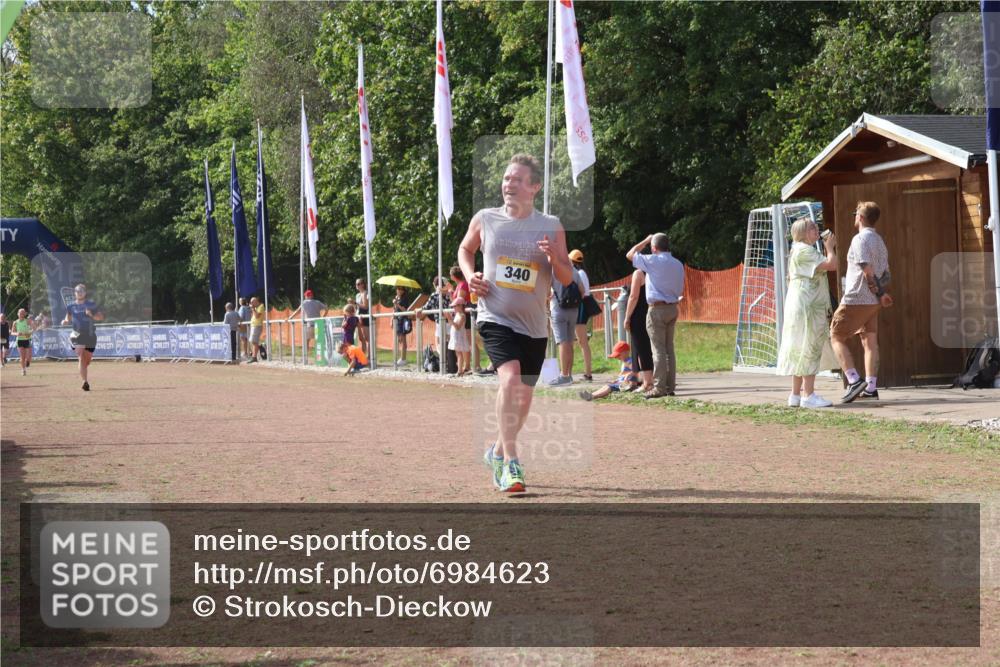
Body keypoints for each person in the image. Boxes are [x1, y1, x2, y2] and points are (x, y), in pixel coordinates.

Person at [458, 153, 574, 493]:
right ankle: (510, 463)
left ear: (534, 187)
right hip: (494, 316)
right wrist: (470, 275)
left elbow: (565, 277)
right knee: (508, 380)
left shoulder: (551, 225)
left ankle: (495, 450)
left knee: (523, 399)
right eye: (507, 178)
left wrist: (554, 257)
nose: (509, 184)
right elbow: (466, 250)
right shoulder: (486, 218)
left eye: (517, 179)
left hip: (535, 325)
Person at [830, 201, 892, 403]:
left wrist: (879, 292)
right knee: (870, 341)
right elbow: (887, 274)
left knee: (836, 336)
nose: (854, 216)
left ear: (861, 218)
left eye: (855, 213)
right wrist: (881, 294)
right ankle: (871, 388)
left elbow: (867, 271)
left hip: (857, 298)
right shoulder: (880, 241)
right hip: (873, 302)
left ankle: (854, 380)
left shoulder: (859, 240)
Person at [776, 220, 839, 408]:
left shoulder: (799, 249)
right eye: (812, 228)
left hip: (800, 304)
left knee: (799, 346)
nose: (816, 230)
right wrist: (830, 248)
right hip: (808, 307)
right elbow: (832, 265)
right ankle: (808, 395)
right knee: (809, 346)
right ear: (802, 232)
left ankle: (795, 394)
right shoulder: (806, 250)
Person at [625, 233, 684, 399]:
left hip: (656, 309)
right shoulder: (678, 264)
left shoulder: (653, 260)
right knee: (669, 350)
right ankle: (669, 386)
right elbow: (680, 289)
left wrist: (644, 240)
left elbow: (630, 255)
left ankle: (658, 387)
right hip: (673, 307)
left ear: (653, 247)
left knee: (657, 350)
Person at [549, 257, 585, 386]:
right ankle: (569, 374)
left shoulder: (552, 268)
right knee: (569, 342)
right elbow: (582, 290)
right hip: (573, 310)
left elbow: (546, 289)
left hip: (558, 309)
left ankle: (563, 376)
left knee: (562, 342)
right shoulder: (573, 269)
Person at [62, 284, 103, 390]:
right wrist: (65, 321)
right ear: (74, 293)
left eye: (82, 291)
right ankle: (85, 382)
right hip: (77, 334)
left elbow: (100, 317)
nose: (79, 292)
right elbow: (68, 317)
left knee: (87, 361)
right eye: (77, 291)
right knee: (80, 356)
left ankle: (83, 370)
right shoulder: (71, 306)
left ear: (85, 293)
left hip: (90, 334)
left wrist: (91, 315)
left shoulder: (91, 304)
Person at [623, 270, 654, 393]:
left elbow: (633, 296)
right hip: (650, 311)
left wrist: (627, 316)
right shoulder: (653, 271)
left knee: (641, 348)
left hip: (638, 314)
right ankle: (641, 379)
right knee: (646, 348)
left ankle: (647, 382)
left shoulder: (638, 273)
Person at [569, 249, 595, 381]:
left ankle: (587, 373)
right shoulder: (582, 272)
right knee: (581, 342)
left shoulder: (578, 273)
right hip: (582, 307)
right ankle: (586, 372)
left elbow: (582, 293)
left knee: (582, 342)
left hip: (580, 307)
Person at [289, 289, 329, 363]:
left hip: (308, 325)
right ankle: (320, 359)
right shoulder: (317, 302)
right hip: (318, 324)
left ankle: (305, 358)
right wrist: (322, 317)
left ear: (306, 296)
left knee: (306, 342)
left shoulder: (304, 303)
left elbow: (298, 311)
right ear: (312, 295)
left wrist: (290, 317)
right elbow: (326, 309)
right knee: (319, 342)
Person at [448, 296, 471, 375]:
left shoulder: (462, 316)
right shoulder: (457, 315)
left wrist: (450, 319)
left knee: (459, 354)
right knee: (458, 353)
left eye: (455, 306)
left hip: (459, 337)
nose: (453, 308)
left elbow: (457, 327)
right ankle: (460, 369)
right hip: (456, 337)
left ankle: (459, 370)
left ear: (460, 306)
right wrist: (449, 319)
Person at [392, 286, 412, 366]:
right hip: (397, 320)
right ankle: (401, 358)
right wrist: (392, 319)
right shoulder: (396, 298)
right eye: (398, 288)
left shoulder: (405, 299)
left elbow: (405, 310)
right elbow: (394, 309)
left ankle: (403, 358)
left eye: (401, 289)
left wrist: (397, 304)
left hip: (403, 320)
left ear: (403, 291)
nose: (399, 290)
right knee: (399, 339)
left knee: (403, 339)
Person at [14, 308, 35, 376]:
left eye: (23, 313)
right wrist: (16, 334)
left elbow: (34, 328)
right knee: (22, 357)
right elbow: (12, 332)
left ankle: (28, 361)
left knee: (28, 356)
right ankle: (23, 370)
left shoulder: (27, 321)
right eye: (20, 313)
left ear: (25, 314)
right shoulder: (15, 322)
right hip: (19, 340)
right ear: (18, 314)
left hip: (27, 339)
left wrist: (29, 332)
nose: (21, 314)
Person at [355, 278, 371, 359]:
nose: (357, 286)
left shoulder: (365, 293)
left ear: (363, 284)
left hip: (365, 316)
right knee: (361, 338)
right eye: (356, 284)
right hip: (359, 316)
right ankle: (363, 357)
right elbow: (357, 308)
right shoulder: (357, 295)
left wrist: (355, 303)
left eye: (358, 284)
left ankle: (369, 357)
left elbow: (365, 306)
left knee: (367, 338)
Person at [247, 296, 265, 363]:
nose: (251, 303)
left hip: (257, 326)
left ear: (256, 301)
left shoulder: (261, 306)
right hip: (254, 325)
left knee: (254, 341)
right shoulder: (256, 307)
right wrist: (253, 309)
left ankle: (254, 357)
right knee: (253, 341)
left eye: (252, 302)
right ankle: (258, 348)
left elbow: (257, 316)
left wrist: (253, 309)